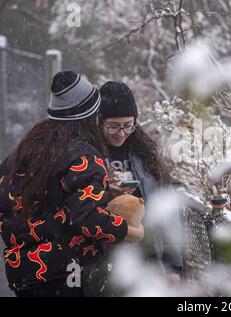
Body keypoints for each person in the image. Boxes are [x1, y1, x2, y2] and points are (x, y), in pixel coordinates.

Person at [0, 71, 144, 297]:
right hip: (68, 274)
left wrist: (102, 192)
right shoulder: (84, 155)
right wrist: (130, 232)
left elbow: (39, 198)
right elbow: (86, 218)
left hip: (25, 273)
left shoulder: (27, 148)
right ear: (88, 116)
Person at [98, 81, 183, 285]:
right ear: (100, 121)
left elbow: (167, 210)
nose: (121, 133)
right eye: (114, 126)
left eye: (128, 125)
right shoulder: (88, 155)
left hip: (149, 257)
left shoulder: (146, 155)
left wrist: (172, 265)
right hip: (105, 260)